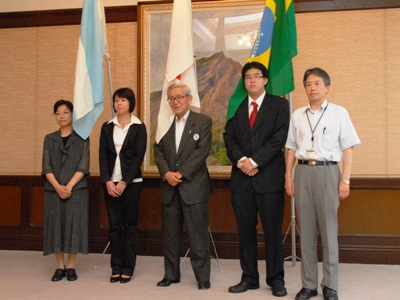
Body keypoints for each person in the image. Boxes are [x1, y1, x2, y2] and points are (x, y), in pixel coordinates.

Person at [285, 68, 361, 300]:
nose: (312, 88)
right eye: (308, 84)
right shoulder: (297, 115)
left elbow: (347, 148)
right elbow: (290, 147)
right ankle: (308, 285)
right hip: (303, 172)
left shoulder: (339, 113)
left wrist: (345, 179)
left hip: (329, 172)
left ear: (327, 87)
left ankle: (330, 285)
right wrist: (288, 175)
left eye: (317, 83)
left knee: (329, 231)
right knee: (305, 232)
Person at [223, 61, 289, 297]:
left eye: (257, 76)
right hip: (242, 181)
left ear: (265, 80)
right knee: (245, 232)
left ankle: (276, 279)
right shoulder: (236, 106)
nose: (252, 80)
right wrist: (243, 162)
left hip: (268, 179)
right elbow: (228, 138)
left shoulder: (280, 105)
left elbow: (278, 138)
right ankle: (249, 278)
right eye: (248, 77)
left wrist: (255, 162)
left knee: (272, 232)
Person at [154, 82, 212, 290]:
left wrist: (181, 173)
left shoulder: (203, 121)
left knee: (198, 236)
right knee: (170, 236)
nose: (176, 101)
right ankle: (171, 274)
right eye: (172, 98)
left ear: (189, 99)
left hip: (193, 187)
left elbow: (201, 151)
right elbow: (158, 151)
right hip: (170, 188)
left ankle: (203, 277)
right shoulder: (164, 124)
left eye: (180, 97)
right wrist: (167, 173)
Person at [99, 87, 147, 284]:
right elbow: (102, 155)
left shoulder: (139, 126)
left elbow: (138, 157)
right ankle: (116, 266)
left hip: (131, 183)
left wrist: (125, 181)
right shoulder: (107, 126)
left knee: (130, 226)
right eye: (116, 100)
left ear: (130, 103)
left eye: (123, 100)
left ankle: (128, 267)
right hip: (110, 183)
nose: (119, 103)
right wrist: (108, 181)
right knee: (115, 226)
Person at [42, 99, 90, 282]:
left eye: (65, 112)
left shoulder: (82, 138)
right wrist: (57, 186)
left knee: (73, 226)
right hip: (53, 190)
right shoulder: (49, 138)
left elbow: (84, 165)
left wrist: (69, 186)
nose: (61, 116)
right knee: (56, 226)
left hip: (76, 190)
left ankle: (71, 266)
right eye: (58, 113)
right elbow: (46, 167)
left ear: (72, 115)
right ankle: (59, 266)